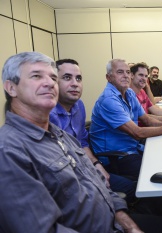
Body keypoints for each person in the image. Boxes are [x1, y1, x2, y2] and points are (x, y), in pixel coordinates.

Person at [0, 51, 162, 233]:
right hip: (98, 216)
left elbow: (97, 181)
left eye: (52, 77)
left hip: (110, 218)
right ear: (11, 87)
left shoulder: (58, 133)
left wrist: (128, 224)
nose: (49, 83)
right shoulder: (9, 151)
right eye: (36, 76)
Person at [49, 58, 136, 200]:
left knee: (130, 186)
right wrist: (91, 177)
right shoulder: (48, 115)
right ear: (54, 82)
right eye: (67, 78)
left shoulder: (79, 106)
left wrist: (96, 165)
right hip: (69, 178)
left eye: (78, 78)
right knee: (129, 188)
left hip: (85, 167)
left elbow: (82, 142)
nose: (74, 84)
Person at [90, 59, 162, 179]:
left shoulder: (129, 93)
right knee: (161, 169)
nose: (125, 76)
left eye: (127, 72)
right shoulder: (109, 100)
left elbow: (147, 120)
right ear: (108, 77)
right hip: (117, 158)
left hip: (133, 148)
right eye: (120, 72)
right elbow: (137, 132)